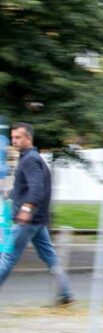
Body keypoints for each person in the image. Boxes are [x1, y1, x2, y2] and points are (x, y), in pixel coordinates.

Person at [0, 123, 74, 306]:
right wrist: (9, 193)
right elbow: (27, 188)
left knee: (7, 257)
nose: (14, 141)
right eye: (13, 137)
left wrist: (25, 210)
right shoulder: (32, 158)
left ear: (28, 138)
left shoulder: (30, 159)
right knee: (50, 257)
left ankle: (65, 294)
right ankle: (65, 294)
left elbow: (36, 189)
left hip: (27, 221)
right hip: (38, 221)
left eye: (18, 137)